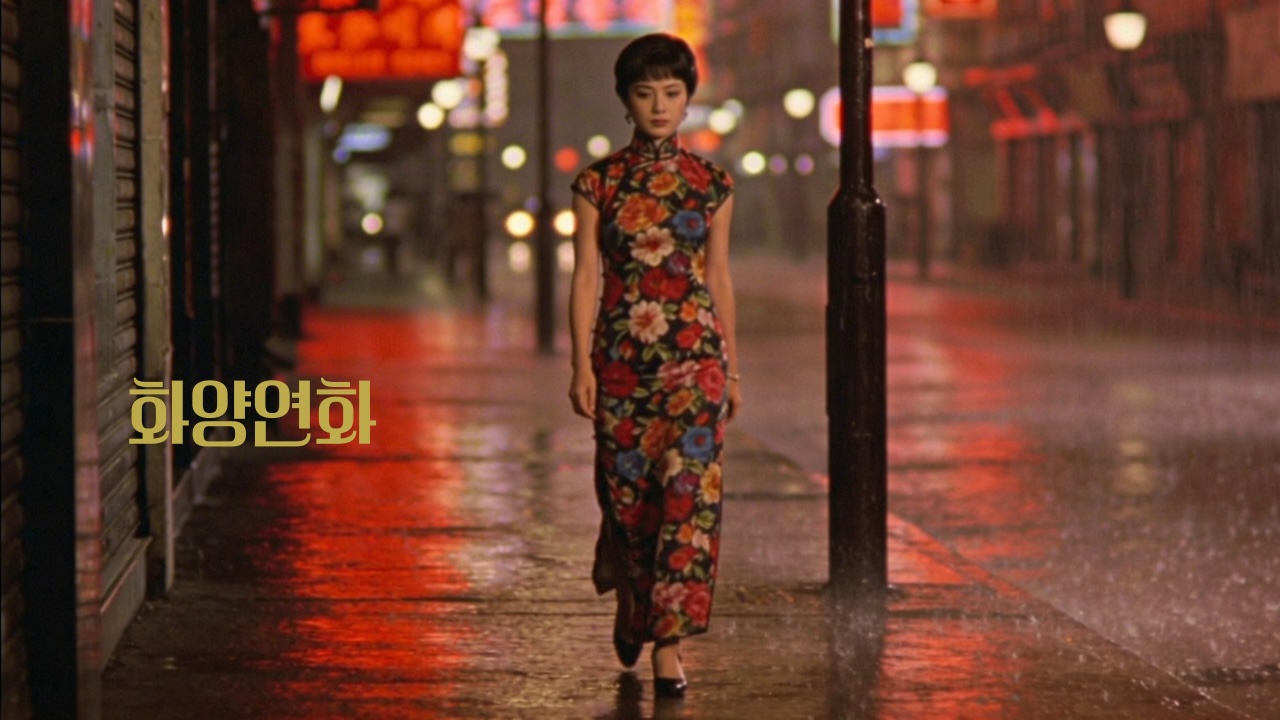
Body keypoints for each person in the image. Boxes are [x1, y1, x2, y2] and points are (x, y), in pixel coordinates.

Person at [567, 33, 741, 699]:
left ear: (689, 99)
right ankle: (630, 596)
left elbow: (718, 278)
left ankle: (668, 644)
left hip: (696, 366)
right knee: (630, 503)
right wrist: (580, 366)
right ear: (626, 101)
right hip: (620, 366)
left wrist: (733, 369)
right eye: (646, 93)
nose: (660, 106)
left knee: (688, 503)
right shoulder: (598, 183)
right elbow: (586, 277)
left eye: (672, 92)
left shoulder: (712, 184)